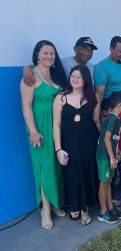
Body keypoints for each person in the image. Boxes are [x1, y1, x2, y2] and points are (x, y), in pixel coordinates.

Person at [20, 40, 67, 229]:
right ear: (37, 55)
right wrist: (33, 131)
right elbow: (26, 107)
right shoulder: (30, 76)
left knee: (56, 166)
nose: (49, 56)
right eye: (45, 53)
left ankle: (54, 204)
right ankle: (45, 211)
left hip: (56, 126)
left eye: (52, 53)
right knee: (43, 168)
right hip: (39, 128)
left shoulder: (57, 74)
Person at [53, 65, 100, 225]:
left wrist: (105, 143)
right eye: (73, 76)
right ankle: (75, 206)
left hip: (89, 142)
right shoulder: (61, 98)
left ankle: (85, 209)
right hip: (69, 143)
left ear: (86, 79)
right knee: (72, 175)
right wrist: (58, 148)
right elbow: (56, 124)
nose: (75, 79)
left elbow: (96, 121)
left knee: (87, 173)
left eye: (79, 77)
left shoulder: (94, 97)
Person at [96, 91, 121, 224]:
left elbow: (116, 138)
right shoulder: (111, 119)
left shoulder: (118, 120)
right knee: (103, 182)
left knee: (109, 181)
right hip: (104, 156)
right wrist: (111, 157)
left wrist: (117, 151)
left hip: (110, 155)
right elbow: (106, 139)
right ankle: (103, 212)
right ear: (120, 104)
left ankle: (110, 207)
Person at [22, 37, 98, 85]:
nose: (87, 53)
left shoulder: (91, 66)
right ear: (75, 49)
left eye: (90, 50)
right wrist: (27, 68)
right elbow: (45, 64)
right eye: (84, 49)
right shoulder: (64, 62)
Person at [94, 36, 121, 100]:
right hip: (111, 108)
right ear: (111, 49)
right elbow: (99, 96)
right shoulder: (101, 67)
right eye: (120, 51)